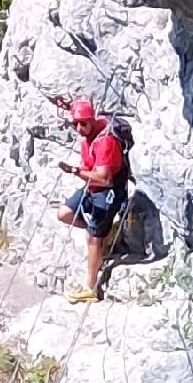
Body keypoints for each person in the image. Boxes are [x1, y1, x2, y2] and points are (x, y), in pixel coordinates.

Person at [52, 91, 131, 302]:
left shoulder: (104, 142)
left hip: (107, 191)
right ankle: (101, 232)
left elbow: (104, 178)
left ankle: (90, 287)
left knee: (94, 240)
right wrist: (64, 105)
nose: (79, 128)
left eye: (83, 124)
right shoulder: (88, 136)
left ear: (91, 121)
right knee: (64, 213)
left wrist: (76, 171)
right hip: (91, 187)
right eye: (75, 124)